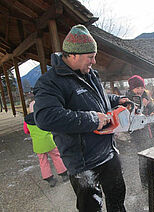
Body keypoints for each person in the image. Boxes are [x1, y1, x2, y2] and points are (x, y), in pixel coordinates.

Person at [33, 24, 128, 212]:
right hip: (84, 162)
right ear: (74, 55)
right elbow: (45, 117)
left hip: (108, 152)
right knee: (91, 208)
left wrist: (117, 99)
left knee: (117, 201)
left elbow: (95, 100)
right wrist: (92, 119)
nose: (94, 61)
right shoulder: (51, 82)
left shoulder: (90, 74)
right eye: (90, 57)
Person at [125, 75, 154, 188]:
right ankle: (145, 182)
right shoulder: (128, 99)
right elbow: (130, 117)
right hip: (138, 133)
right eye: (137, 88)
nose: (140, 90)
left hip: (151, 131)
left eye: (142, 87)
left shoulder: (146, 96)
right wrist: (142, 106)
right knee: (143, 157)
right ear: (132, 88)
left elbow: (153, 108)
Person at [23, 100, 68, 187]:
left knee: (43, 161)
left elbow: (26, 131)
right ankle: (63, 174)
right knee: (56, 156)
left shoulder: (27, 121)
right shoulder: (42, 116)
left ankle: (49, 178)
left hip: (38, 145)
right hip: (49, 142)